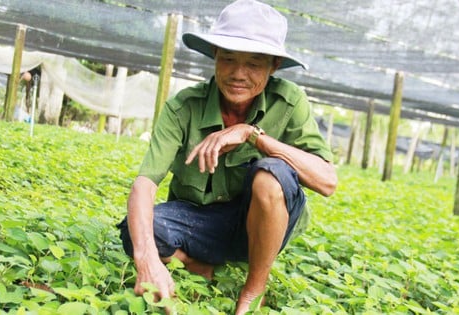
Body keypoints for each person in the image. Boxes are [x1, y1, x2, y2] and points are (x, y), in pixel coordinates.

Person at [117, 0, 337, 313]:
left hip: (260, 226)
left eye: (254, 64)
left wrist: (253, 135)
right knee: (137, 231)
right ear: (214, 58)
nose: (238, 74)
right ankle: (197, 265)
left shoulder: (288, 102)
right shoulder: (184, 107)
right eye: (228, 59)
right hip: (199, 223)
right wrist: (147, 260)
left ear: (273, 66)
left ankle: (253, 289)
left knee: (271, 175)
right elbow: (145, 183)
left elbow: (327, 181)